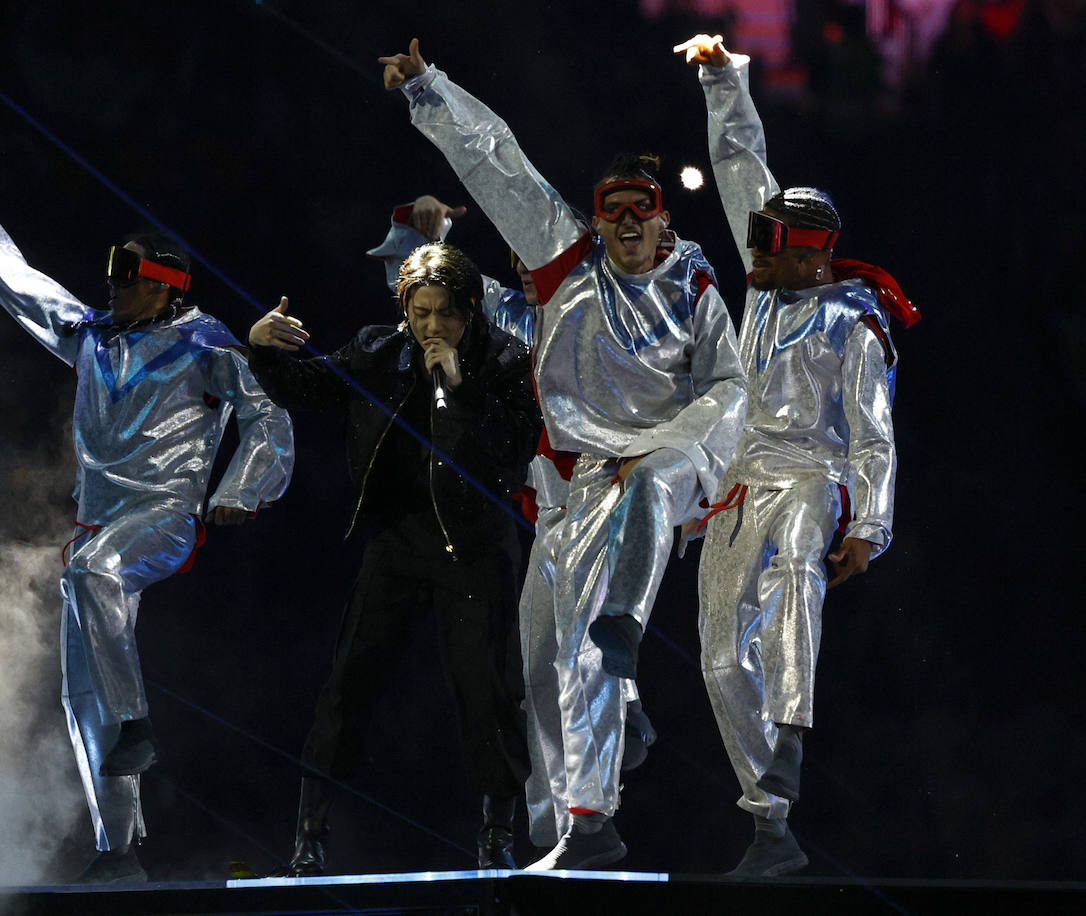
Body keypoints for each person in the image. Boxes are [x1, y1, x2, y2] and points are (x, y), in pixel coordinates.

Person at [380, 40, 747, 870]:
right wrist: (429, 90)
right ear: (594, 216)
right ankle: (564, 828)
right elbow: (497, 161)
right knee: (542, 659)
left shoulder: (695, 290)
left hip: (651, 475)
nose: (624, 223)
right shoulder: (560, 268)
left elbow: (728, 387)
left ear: (662, 219)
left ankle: (594, 810)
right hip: (566, 495)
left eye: (639, 211)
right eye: (610, 209)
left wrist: (678, 454)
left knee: (591, 635)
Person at [0, 147, 294, 883]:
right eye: (114, 277)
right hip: (99, 525)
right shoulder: (92, 335)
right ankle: (116, 846)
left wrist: (241, 490)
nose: (113, 288)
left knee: (94, 574)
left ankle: (134, 729)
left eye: (127, 280)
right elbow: (18, 283)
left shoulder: (203, 341)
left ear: (161, 288)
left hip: (163, 517)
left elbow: (266, 412)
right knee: (79, 686)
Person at [676, 35, 919, 877]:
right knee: (715, 655)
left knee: (791, 591)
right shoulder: (762, 293)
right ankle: (770, 825)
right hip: (741, 484)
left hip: (813, 478)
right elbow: (744, 163)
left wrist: (872, 528)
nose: (760, 251)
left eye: (774, 242)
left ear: (812, 248)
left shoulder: (852, 322)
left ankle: (787, 755)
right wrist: (719, 76)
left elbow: (873, 433)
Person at [370, 200, 659, 855]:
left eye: (542, 261)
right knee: (532, 672)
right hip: (552, 515)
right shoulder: (506, 317)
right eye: (517, 263)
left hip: (609, 503)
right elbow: (422, 294)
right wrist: (425, 236)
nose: (528, 273)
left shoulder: (609, 313)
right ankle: (556, 822)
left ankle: (609, 763)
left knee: (585, 657)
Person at [248, 242, 540, 874]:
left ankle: (497, 838)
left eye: (446, 314)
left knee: (486, 692)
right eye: (421, 312)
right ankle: (309, 838)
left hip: (473, 545)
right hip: (399, 542)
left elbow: (509, 461)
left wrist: (459, 389)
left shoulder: (507, 360)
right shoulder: (379, 349)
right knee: (347, 686)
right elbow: (306, 385)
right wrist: (263, 346)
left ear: (471, 310)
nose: (432, 327)